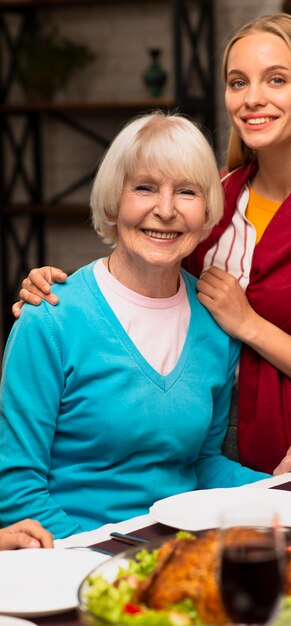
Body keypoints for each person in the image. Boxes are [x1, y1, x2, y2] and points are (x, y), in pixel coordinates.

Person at [12, 13, 291, 476]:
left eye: (276, 79)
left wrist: (251, 325)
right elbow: (146, 282)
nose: (253, 98)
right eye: (238, 82)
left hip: (290, 456)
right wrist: (60, 297)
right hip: (182, 445)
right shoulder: (204, 200)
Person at [0, 112, 276, 540]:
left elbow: (203, 465)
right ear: (113, 202)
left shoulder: (214, 324)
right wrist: (100, 560)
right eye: (144, 187)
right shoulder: (49, 318)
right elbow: (17, 490)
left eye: (186, 192)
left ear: (206, 212)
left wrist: (286, 492)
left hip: (179, 554)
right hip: (76, 557)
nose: (164, 210)